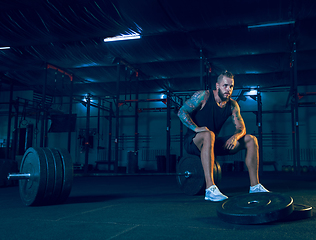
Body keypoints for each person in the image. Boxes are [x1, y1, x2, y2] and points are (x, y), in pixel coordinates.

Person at [178, 71, 269, 201]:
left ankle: (255, 186)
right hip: (193, 142)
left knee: (251, 139)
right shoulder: (203, 96)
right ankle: (210, 189)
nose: (228, 89)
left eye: (231, 86)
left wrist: (236, 136)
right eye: (225, 85)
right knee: (209, 134)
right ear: (217, 86)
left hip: (212, 142)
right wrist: (196, 128)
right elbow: (182, 112)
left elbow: (241, 127)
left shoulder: (232, 105)